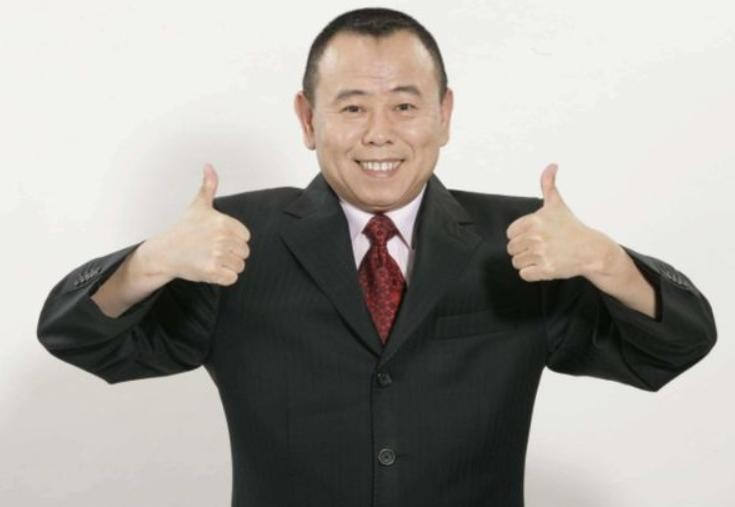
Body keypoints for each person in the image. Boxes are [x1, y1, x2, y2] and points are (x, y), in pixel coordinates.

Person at [36, 7, 717, 507]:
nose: (379, 134)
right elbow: (77, 336)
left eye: (405, 106)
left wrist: (606, 261)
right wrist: (149, 261)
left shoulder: (521, 243)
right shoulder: (234, 242)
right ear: (308, 120)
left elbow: (675, 347)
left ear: (444, 115)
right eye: (353, 107)